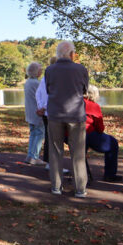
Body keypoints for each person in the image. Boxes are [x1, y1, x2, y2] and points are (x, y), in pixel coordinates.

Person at [45, 41, 89, 197]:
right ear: (72, 54)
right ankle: (80, 188)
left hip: (55, 114)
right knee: (78, 153)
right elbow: (85, 89)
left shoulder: (49, 70)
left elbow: (48, 89)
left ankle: (56, 186)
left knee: (55, 150)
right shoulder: (81, 69)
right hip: (76, 115)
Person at [84, 85, 121, 182]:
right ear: (94, 95)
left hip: (73, 135)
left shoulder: (77, 102)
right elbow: (100, 128)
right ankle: (110, 174)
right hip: (88, 134)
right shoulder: (93, 106)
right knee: (113, 143)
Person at [35, 56, 57, 165]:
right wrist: (43, 107)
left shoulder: (45, 77)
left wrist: (40, 107)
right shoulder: (54, 77)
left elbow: (38, 94)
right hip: (51, 111)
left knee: (49, 137)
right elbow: (51, 95)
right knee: (53, 138)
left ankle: (48, 161)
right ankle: (51, 163)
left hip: (45, 111)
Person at [24, 62, 46, 165]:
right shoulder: (37, 83)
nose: (41, 71)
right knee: (39, 134)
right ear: (36, 71)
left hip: (30, 113)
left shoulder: (28, 82)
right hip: (37, 113)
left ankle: (30, 155)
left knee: (33, 134)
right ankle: (34, 156)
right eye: (40, 69)